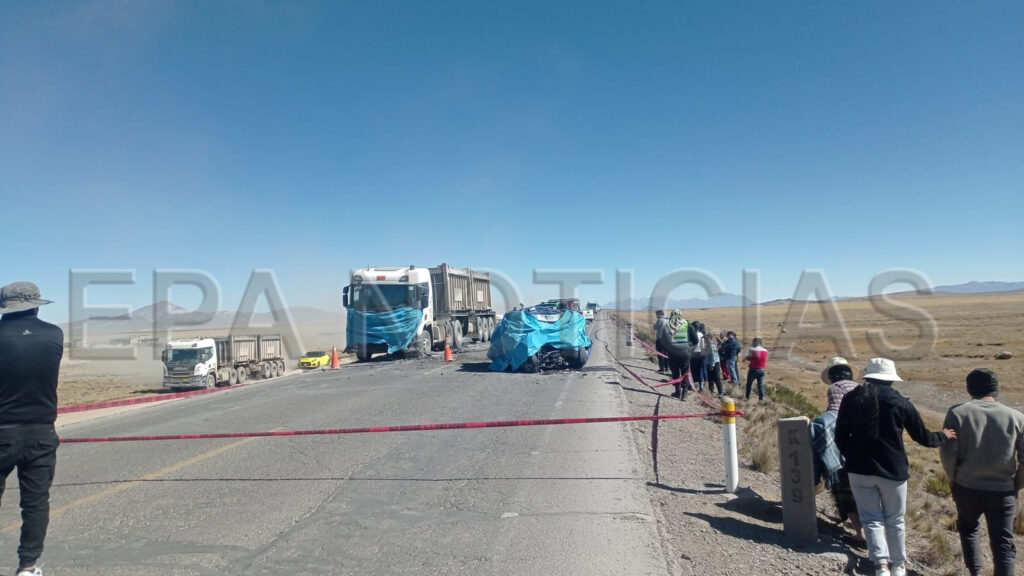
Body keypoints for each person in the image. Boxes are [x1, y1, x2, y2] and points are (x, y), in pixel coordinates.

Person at [836, 358, 956, 576]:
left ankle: (880, 565)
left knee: (871, 518)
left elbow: (840, 436)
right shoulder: (900, 402)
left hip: (859, 469)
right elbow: (923, 437)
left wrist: (852, 456)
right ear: (891, 380)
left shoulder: (852, 398)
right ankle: (898, 565)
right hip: (893, 470)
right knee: (895, 520)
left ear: (868, 376)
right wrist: (944, 436)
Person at [0, 282, 63, 576]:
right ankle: (28, 566)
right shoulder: (54, 335)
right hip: (41, 431)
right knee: (35, 503)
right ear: (36, 305)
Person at [940, 368, 1024, 576]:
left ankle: (975, 572)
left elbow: (948, 452)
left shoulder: (957, 413)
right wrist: (1017, 485)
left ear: (969, 388)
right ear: (996, 389)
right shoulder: (1017, 418)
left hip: (967, 487)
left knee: (968, 529)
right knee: (1003, 542)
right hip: (1003, 491)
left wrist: (953, 478)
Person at [809, 357, 863, 541]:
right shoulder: (861, 388)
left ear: (833, 376)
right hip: (865, 443)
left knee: (844, 487)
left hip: (845, 443)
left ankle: (859, 532)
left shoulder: (836, 389)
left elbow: (835, 415)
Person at [657, 309, 693, 400]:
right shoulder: (688, 325)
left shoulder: (668, 325)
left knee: (675, 373)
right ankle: (684, 393)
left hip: (673, 353)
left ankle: (677, 391)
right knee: (684, 373)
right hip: (685, 353)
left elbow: (663, 340)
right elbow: (695, 340)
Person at [703, 332, 723, 397]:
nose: (704, 340)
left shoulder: (711, 346)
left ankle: (720, 392)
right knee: (710, 378)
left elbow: (713, 356)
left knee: (716, 378)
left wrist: (712, 365)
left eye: (706, 338)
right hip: (709, 363)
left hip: (714, 364)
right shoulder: (707, 345)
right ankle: (711, 391)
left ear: (710, 339)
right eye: (704, 338)